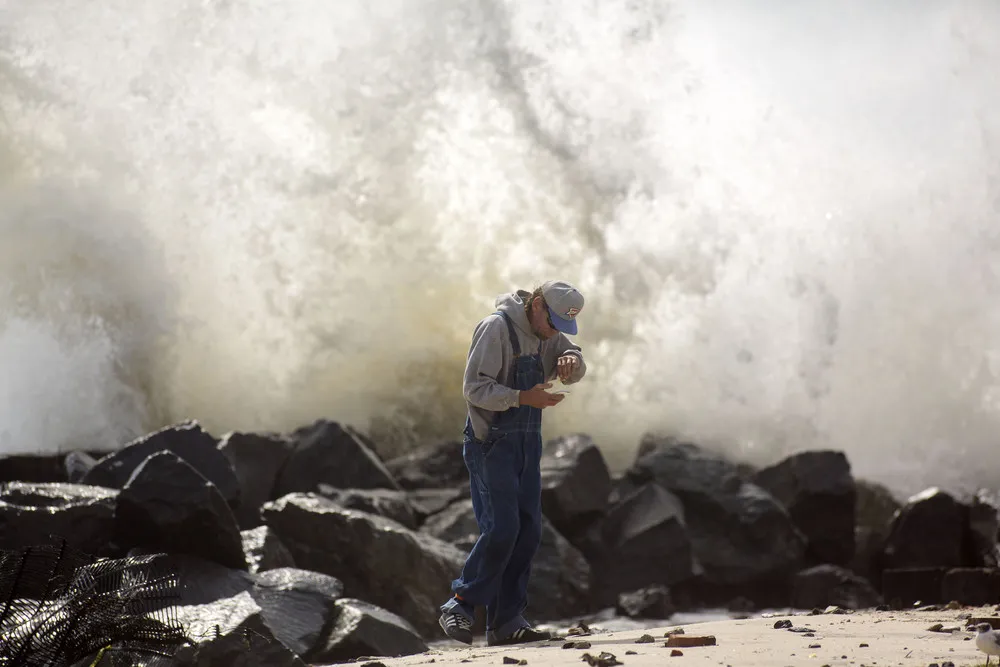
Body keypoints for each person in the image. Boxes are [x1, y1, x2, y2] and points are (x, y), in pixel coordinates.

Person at [437, 280, 587, 646]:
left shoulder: (550, 333)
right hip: (492, 445)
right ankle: (459, 604)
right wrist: (522, 397)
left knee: (529, 531)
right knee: (503, 528)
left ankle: (507, 622)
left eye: (561, 328)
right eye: (552, 322)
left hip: (527, 445)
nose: (555, 333)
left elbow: (574, 359)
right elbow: (473, 388)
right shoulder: (496, 329)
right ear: (536, 304)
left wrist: (573, 360)